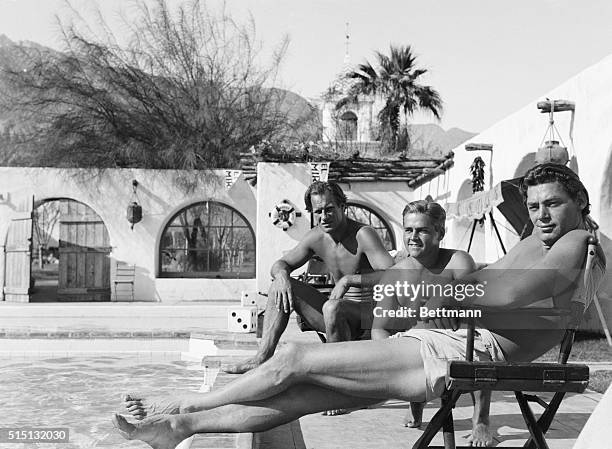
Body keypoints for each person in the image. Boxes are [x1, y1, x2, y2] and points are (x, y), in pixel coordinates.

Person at [114, 163, 605, 449]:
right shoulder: (539, 238)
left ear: (579, 203)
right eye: (536, 204)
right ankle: (180, 428)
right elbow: (488, 284)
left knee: (295, 360)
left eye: (553, 203)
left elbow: (505, 293)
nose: (541, 213)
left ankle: (180, 405)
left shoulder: (580, 239)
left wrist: (436, 294)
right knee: (300, 396)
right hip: (454, 338)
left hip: (466, 349)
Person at [221, 181, 394, 380]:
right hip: (335, 315)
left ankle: (338, 384)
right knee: (282, 285)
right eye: (318, 211)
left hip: (368, 317)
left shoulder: (363, 234)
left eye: (329, 210)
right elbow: (280, 264)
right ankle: (262, 357)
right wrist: (282, 276)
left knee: (332, 307)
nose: (324, 216)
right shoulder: (316, 237)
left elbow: (393, 275)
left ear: (342, 207)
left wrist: (348, 280)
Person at [371, 200, 492, 445]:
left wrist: (444, 296)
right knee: (412, 338)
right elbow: (379, 327)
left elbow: (476, 305)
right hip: (418, 344)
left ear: (440, 233)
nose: (413, 237)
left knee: (479, 344)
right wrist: (388, 356)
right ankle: (416, 401)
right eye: (408, 230)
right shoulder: (395, 275)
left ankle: (481, 419)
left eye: (422, 230)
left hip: (460, 342)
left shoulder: (458, 261)